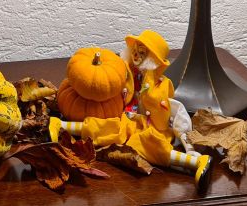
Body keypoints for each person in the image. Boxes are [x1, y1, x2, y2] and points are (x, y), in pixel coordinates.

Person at [49, 30, 212, 193]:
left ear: (154, 60)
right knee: (105, 126)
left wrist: (190, 147)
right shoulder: (127, 75)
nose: (136, 55)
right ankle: (60, 124)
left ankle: (196, 162)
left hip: (150, 129)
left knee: (154, 149)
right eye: (135, 50)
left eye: (142, 53)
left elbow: (179, 116)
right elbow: (108, 82)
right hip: (127, 120)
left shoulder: (161, 86)